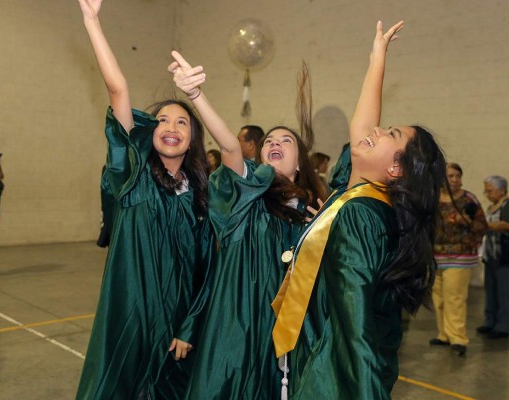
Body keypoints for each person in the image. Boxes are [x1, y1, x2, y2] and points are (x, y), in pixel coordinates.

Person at [272, 21, 447, 399]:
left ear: (396, 169)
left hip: (334, 369)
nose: (377, 131)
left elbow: (356, 323)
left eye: (390, 134)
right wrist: (377, 59)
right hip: (327, 347)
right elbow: (363, 128)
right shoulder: (367, 196)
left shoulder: (361, 215)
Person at [169, 52, 327, 399]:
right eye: (270, 140)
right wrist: (196, 96)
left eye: (286, 141)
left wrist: (320, 236)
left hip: (283, 335)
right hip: (235, 325)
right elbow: (228, 147)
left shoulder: (313, 212)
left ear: (300, 161)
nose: (275, 143)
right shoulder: (247, 195)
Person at [76, 1, 213, 399]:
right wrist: (92, 22)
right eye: (163, 121)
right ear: (148, 134)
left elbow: (206, 271)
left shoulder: (200, 200)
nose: (171, 127)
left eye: (182, 122)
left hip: (175, 338)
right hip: (128, 328)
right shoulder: (131, 179)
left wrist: (189, 326)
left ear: (192, 139)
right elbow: (118, 89)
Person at [429, 163, 487, 356]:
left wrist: (467, 222)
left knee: (455, 298)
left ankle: (458, 339)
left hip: (459, 257)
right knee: (439, 299)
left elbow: (482, 225)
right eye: (450, 176)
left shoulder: (468, 199)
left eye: (457, 176)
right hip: (435, 256)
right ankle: (444, 334)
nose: (454, 179)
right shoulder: (431, 199)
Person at [477, 175, 509, 339]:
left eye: (489, 191)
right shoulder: (491, 208)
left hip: (506, 256)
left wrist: (486, 225)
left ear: (501, 190)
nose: (487, 194)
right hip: (491, 256)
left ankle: (503, 326)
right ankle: (489, 321)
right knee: (490, 291)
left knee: (504, 292)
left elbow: (508, 224)